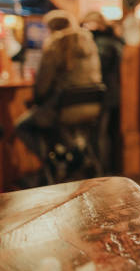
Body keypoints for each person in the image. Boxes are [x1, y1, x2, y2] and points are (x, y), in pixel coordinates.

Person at [15, 10, 102, 176]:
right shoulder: (89, 42)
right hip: (92, 106)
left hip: (64, 108)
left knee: (23, 125)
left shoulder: (55, 44)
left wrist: (37, 99)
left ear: (51, 28)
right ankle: (74, 153)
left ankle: (52, 163)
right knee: (60, 127)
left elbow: (42, 84)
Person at [81, 11, 125, 173]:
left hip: (101, 94)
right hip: (110, 93)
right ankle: (104, 169)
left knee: (97, 136)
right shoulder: (113, 40)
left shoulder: (100, 42)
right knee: (104, 134)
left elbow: (99, 67)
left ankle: (99, 172)